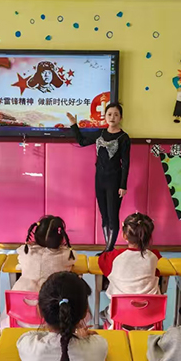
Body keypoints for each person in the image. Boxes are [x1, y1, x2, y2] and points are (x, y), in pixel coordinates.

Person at [67, 103, 131, 253]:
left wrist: (123, 185)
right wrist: (74, 125)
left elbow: (126, 163)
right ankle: (107, 248)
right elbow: (82, 142)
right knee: (104, 215)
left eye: (116, 114)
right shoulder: (100, 134)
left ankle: (109, 250)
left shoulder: (124, 138)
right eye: (109, 114)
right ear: (105, 117)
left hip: (114, 181)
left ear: (121, 118)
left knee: (112, 215)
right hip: (99, 179)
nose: (112, 117)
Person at [98, 213, 161, 327]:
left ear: (124, 235)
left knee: (104, 312)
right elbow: (157, 272)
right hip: (149, 317)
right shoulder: (154, 257)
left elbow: (102, 262)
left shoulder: (113, 257)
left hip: (120, 317)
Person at [14, 215, 76, 292]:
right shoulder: (66, 255)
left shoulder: (26, 251)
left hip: (22, 297)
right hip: (51, 297)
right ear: (61, 237)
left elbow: (20, 260)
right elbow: (73, 260)